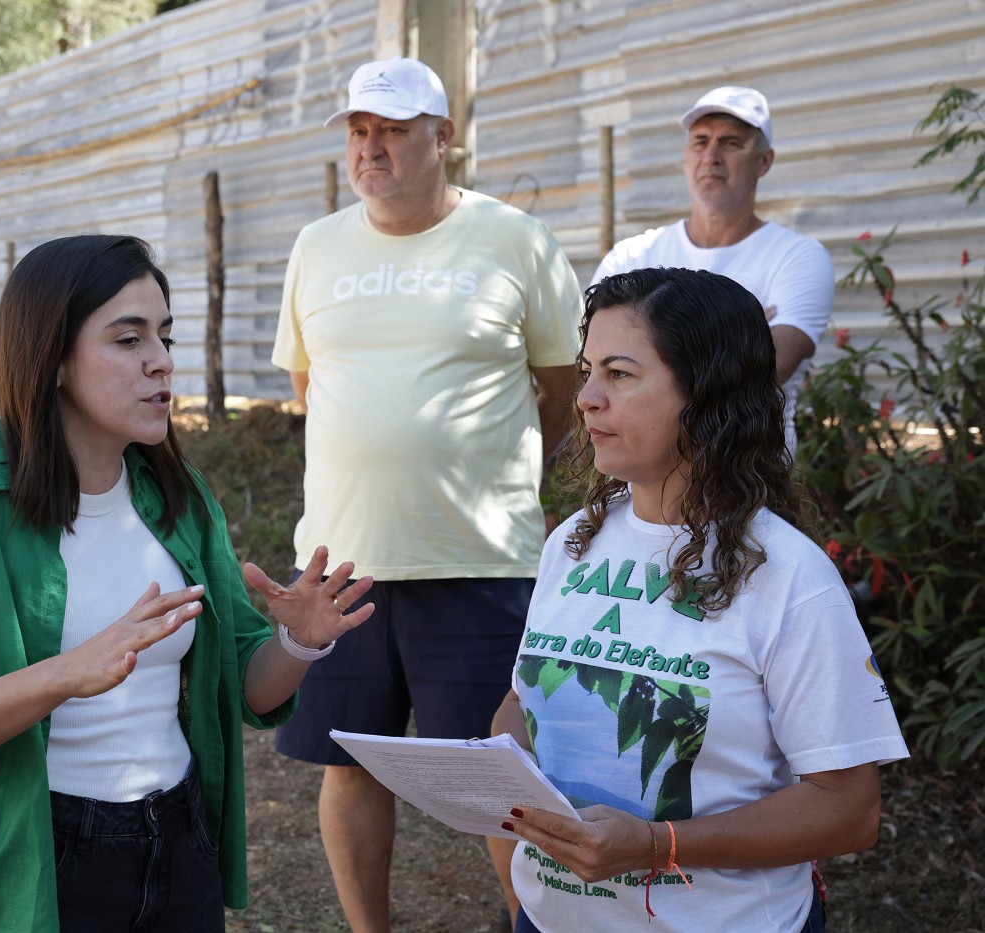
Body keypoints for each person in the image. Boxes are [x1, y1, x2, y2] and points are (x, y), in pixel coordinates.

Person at [0, 234, 377, 933]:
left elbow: (248, 687)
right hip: (43, 855)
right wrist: (62, 674)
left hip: (180, 842)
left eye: (164, 335)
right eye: (128, 339)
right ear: (54, 360)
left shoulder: (178, 496)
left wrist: (297, 643)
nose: (160, 359)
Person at [493, 267, 908, 932]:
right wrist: (500, 779)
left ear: (706, 395)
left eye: (620, 374)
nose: (586, 398)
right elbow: (520, 703)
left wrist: (658, 845)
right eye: (587, 370)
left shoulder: (788, 576)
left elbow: (849, 809)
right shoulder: (573, 541)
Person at [271, 57, 583, 931]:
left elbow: (559, 385)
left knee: (502, 770)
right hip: (341, 562)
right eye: (359, 132)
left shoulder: (515, 239)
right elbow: (308, 383)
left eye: (394, 131)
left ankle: (535, 921)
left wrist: (499, 467)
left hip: (479, 555)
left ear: (443, 138)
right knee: (348, 765)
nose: (372, 149)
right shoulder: (316, 245)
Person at [591, 86, 834, 452]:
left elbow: (765, 370)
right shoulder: (632, 255)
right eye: (700, 142)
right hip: (633, 483)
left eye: (732, 143)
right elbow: (591, 362)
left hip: (746, 482)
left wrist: (644, 350)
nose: (712, 156)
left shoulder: (798, 256)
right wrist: (737, 330)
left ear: (764, 161)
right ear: (685, 157)